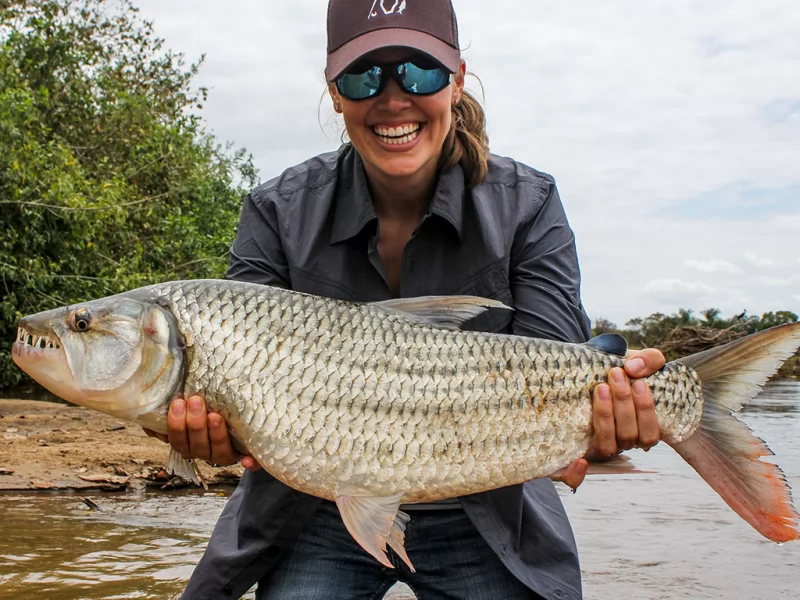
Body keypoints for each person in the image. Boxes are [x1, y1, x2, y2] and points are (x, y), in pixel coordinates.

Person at [148, 1, 665, 598]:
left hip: (489, 501)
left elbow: (553, 370)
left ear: (458, 78)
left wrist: (598, 426)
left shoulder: (531, 202)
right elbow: (225, 394)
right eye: (364, 76)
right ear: (334, 91)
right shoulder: (275, 209)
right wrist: (205, 431)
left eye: (419, 72)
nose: (393, 99)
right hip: (311, 504)